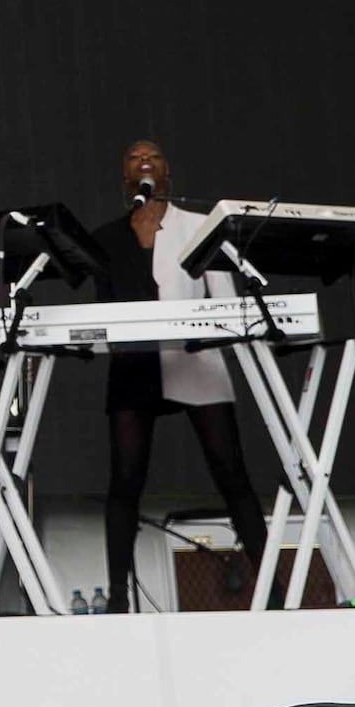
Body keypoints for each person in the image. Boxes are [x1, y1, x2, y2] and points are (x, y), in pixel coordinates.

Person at [96, 138, 278, 610]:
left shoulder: (199, 227)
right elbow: (101, 309)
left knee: (232, 474)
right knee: (124, 480)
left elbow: (225, 299)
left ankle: (275, 594)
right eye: (134, 158)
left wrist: (206, 333)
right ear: (125, 179)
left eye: (152, 156)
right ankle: (118, 597)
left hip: (195, 357)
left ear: (167, 172)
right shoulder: (109, 238)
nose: (144, 162)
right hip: (135, 364)